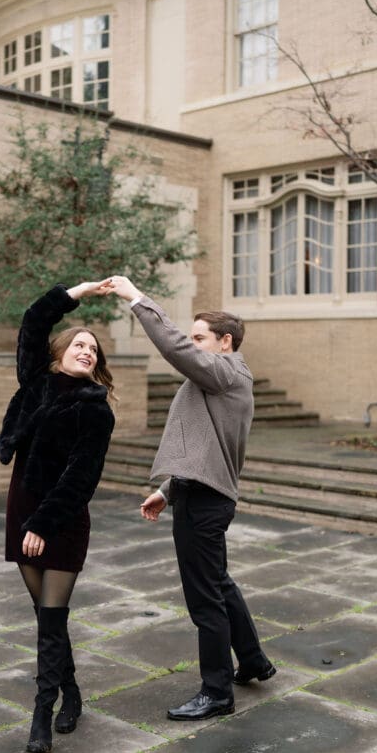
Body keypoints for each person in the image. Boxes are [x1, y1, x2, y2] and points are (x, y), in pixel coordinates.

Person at [104, 275, 275, 721]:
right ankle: (253, 660)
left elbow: (174, 348)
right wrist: (167, 490)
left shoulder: (226, 371)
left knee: (205, 601)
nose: (192, 344)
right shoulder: (220, 379)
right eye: (193, 336)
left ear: (225, 342)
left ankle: (216, 692)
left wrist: (137, 299)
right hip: (200, 493)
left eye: (200, 337)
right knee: (219, 583)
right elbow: (203, 447)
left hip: (205, 504)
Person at [0, 281, 115, 753]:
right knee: (48, 620)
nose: (86, 350)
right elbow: (32, 323)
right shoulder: (37, 384)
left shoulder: (94, 411)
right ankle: (73, 693)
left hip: (60, 522)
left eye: (93, 349)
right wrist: (76, 293)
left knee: (51, 617)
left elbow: (80, 479)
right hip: (21, 512)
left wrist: (43, 526)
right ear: (60, 353)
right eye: (79, 344)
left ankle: (41, 717)